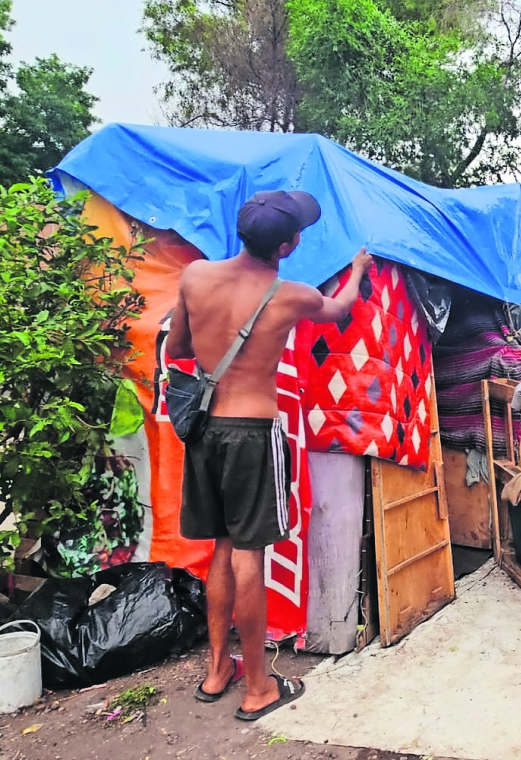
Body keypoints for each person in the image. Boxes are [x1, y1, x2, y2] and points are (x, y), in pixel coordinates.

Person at [167, 190, 375, 721]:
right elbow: (342, 307)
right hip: (252, 433)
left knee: (220, 547)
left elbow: (178, 352)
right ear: (288, 245)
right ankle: (258, 686)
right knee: (248, 554)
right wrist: (356, 269)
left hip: (205, 430)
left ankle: (217, 672)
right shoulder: (293, 296)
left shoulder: (194, 277)